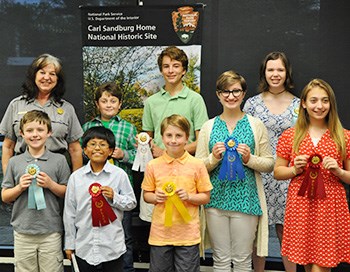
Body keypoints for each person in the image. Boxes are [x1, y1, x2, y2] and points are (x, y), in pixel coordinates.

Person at [196, 70, 274, 271]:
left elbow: (269, 163)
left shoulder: (255, 125)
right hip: (215, 202)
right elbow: (197, 167)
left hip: (246, 201)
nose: (231, 96)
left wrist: (249, 159)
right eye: (225, 91)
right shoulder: (209, 126)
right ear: (218, 94)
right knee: (220, 259)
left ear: (244, 93)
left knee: (242, 260)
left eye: (236, 91)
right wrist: (213, 158)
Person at [274, 78, 350, 272]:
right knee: (308, 266)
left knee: (320, 267)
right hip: (301, 206)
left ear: (331, 104)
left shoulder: (344, 136)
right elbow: (277, 172)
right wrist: (294, 169)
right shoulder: (290, 136)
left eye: (325, 101)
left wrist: (339, 171)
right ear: (304, 104)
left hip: (330, 207)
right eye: (314, 100)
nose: (319, 106)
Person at [243, 51, 299, 272]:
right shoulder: (252, 105)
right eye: (271, 70)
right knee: (258, 233)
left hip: (288, 175)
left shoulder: (300, 104)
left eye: (280, 70)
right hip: (259, 173)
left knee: (286, 232)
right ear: (264, 73)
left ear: (287, 73)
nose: (275, 74)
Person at [140, 46, 209, 223]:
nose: (171, 70)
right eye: (166, 66)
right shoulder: (152, 102)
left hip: (187, 169)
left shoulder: (195, 99)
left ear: (184, 70)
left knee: (186, 219)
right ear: (161, 70)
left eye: (176, 65)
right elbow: (147, 138)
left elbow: (202, 138)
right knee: (157, 220)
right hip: (159, 170)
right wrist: (153, 150)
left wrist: (172, 153)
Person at [1, 110, 71, 272]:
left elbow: (67, 193)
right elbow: (5, 196)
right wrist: (19, 187)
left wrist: (50, 184)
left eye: (40, 130)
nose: (35, 135)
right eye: (30, 130)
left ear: (49, 132)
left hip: (51, 231)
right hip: (23, 232)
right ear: (21, 134)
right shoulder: (14, 162)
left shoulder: (59, 160)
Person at [142, 114, 212, 272]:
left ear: (187, 138)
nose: (173, 140)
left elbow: (206, 197)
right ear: (162, 137)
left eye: (179, 135)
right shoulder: (153, 165)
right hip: (160, 235)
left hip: (188, 235)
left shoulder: (197, 165)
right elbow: (147, 195)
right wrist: (155, 197)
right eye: (169, 135)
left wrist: (189, 197)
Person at [64, 126, 137, 272]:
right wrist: (69, 243)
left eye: (103, 144)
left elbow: (131, 203)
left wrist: (115, 197)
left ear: (110, 151)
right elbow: (69, 213)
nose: (97, 148)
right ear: (85, 149)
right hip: (84, 246)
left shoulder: (119, 175)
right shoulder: (76, 178)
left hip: (112, 246)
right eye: (92, 144)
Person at [82, 82, 137, 272]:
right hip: (93, 190)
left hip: (120, 192)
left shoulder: (129, 129)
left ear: (120, 104)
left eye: (113, 101)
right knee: (96, 230)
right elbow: (82, 155)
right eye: (104, 101)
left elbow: (140, 157)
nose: (108, 104)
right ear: (97, 104)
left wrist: (125, 155)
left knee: (125, 234)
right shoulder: (87, 127)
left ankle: (126, 268)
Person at [0, 53, 83, 173]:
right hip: (23, 170)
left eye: (52, 74)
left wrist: (76, 182)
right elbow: (8, 146)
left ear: (57, 80)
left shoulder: (67, 108)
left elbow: (75, 149)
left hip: (58, 171)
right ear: (34, 75)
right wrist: (8, 179)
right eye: (42, 72)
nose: (47, 77)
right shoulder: (16, 105)